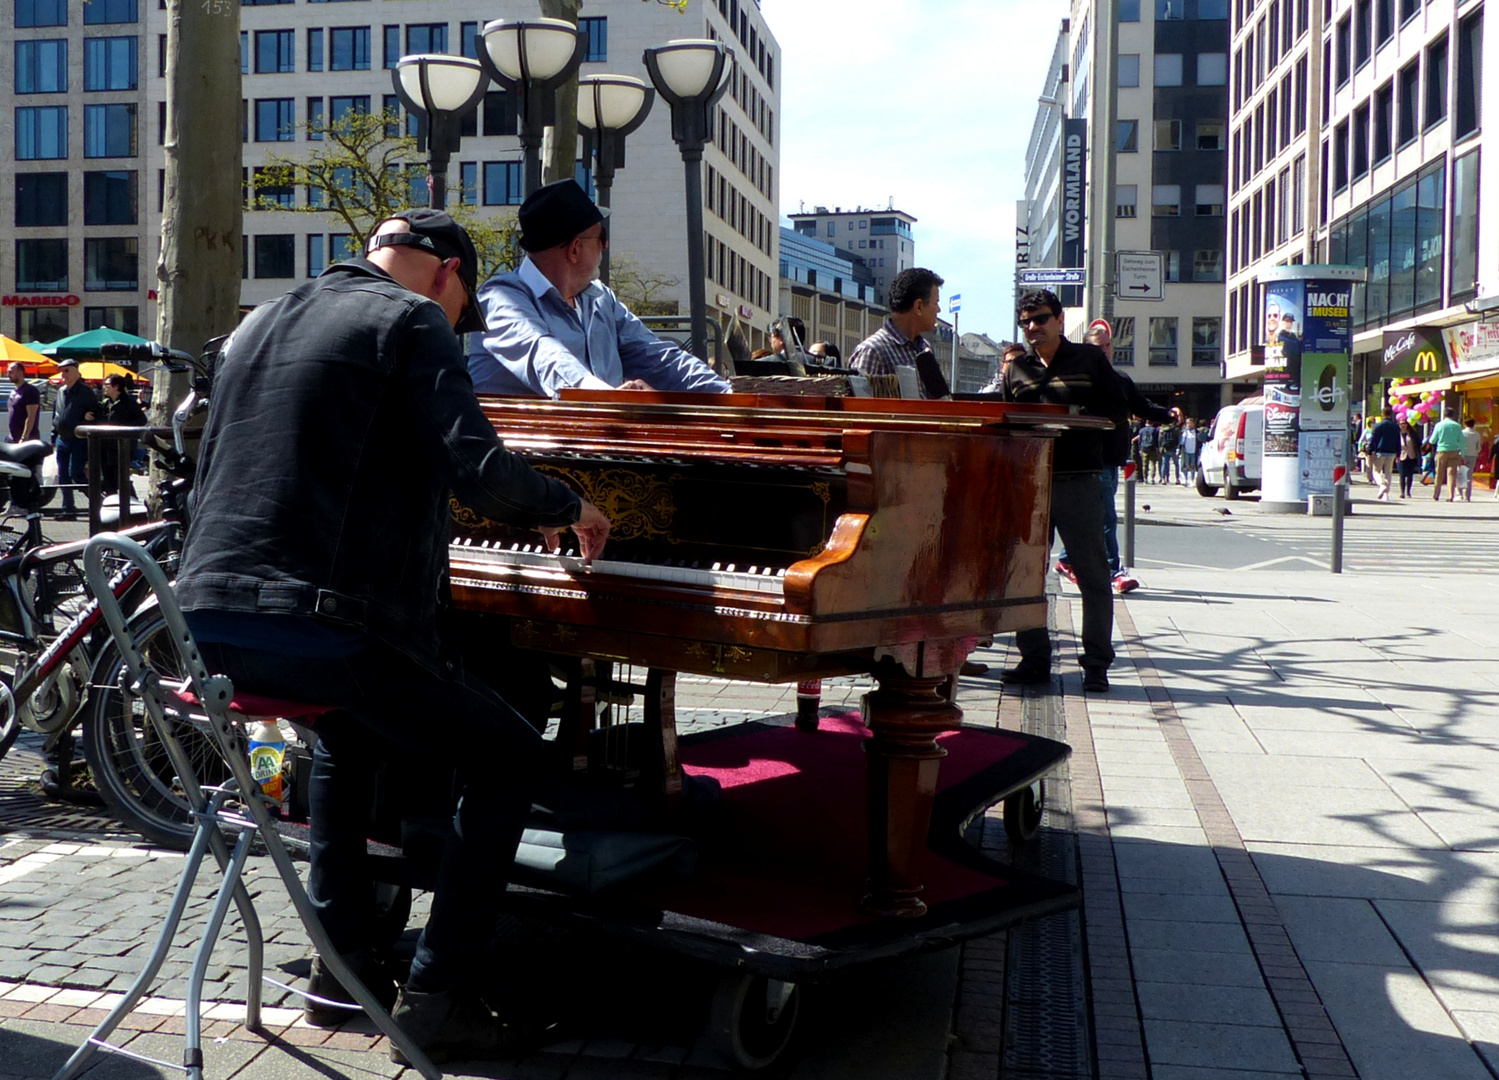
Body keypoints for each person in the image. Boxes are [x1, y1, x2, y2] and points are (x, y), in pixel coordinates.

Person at [174, 209, 612, 1064]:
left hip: (211, 623)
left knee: (345, 735)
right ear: (448, 274)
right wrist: (568, 504)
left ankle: (340, 976)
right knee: (508, 754)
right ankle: (443, 993)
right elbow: (476, 466)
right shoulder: (411, 319)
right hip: (325, 625)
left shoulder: (261, 318)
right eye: (462, 315)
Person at [470, 180, 730, 398]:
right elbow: (545, 356)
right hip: (518, 454)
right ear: (575, 249)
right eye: (601, 237)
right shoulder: (501, 298)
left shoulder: (600, 298)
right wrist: (609, 399)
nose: (605, 246)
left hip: (593, 448)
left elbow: (659, 358)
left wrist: (729, 397)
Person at [999, 289, 1127, 694]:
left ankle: (1095, 665)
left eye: (1039, 319)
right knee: (1025, 576)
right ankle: (1034, 659)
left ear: (1057, 319)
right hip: (1029, 484)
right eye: (1025, 322)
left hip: (1080, 479)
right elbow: (1006, 425)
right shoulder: (1015, 369)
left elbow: (1116, 411)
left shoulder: (1088, 360)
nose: (1032, 327)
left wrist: (1109, 461)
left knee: (1092, 575)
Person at [849, 267, 949, 399]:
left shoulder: (925, 349)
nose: (939, 310)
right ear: (918, 306)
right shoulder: (872, 352)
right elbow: (858, 412)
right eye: (936, 303)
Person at [51, 357, 98, 521]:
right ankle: (68, 509)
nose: (63, 374)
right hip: (62, 439)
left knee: (76, 473)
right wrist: (53, 435)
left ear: (77, 372)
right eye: (61, 370)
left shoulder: (86, 392)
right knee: (63, 475)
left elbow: (97, 414)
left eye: (67, 370)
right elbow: (56, 413)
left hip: (79, 439)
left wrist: (86, 418)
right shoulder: (61, 391)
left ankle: (98, 501)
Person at [97, 373, 149, 494]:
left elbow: (142, 420)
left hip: (123, 446)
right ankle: (111, 506)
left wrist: (123, 429)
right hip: (106, 447)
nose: (104, 387)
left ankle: (132, 504)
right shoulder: (105, 403)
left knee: (121, 477)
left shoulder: (129, 403)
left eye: (107, 385)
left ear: (116, 387)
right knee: (108, 478)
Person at [1430, 411, 1464, 501]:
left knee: (1439, 474)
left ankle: (1436, 494)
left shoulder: (1439, 425)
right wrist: (1462, 454)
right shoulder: (1457, 426)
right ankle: (1450, 495)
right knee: (1452, 474)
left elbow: (1432, 440)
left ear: (1444, 415)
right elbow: (1461, 440)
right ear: (1453, 415)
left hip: (1441, 451)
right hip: (1454, 451)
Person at [1368, 408, 1401, 501]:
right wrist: (1398, 453)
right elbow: (1398, 441)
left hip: (1380, 451)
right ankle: (1386, 495)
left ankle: (1381, 485)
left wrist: (1370, 451)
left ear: (1382, 414)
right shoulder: (1395, 426)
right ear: (1391, 414)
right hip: (1391, 452)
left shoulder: (1378, 426)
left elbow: (1374, 440)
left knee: (1376, 471)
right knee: (1388, 473)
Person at [7, 363, 40, 444]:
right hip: (13, 438)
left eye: (11, 372)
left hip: (28, 439)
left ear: (20, 373)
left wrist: (24, 437)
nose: (8, 375)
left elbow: (31, 416)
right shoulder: (13, 392)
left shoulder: (30, 391)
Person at [1397, 418, 1420, 498]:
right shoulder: (1397, 434)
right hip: (1401, 457)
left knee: (1410, 475)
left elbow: (1417, 444)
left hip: (1411, 456)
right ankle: (1402, 492)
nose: (1403, 425)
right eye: (1401, 424)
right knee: (1402, 475)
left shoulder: (1412, 434)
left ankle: (1408, 492)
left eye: (1404, 423)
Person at [1460, 418, 1482, 501]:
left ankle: (1460, 494)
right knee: (1469, 475)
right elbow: (1479, 447)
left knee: (1460, 474)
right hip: (1473, 455)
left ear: (1465, 424)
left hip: (1462, 455)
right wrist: (1475, 451)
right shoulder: (1477, 434)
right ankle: (1467, 496)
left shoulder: (1462, 433)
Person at [1157, 418, 1181, 484]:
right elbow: (1178, 439)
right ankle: (1177, 479)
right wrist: (1178, 448)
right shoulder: (1175, 429)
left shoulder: (1162, 429)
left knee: (1164, 464)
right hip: (1174, 448)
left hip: (1165, 449)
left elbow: (1159, 439)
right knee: (1176, 464)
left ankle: (1163, 478)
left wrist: (1160, 448)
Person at [1179, 417, 1199, 484]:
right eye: (1187, 423)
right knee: (1185, 465)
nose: (1189, 424)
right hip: (1186, 451)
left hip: (1194, 451)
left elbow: (1199, 441)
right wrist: (1178, 449)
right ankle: (1185, 478)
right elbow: (1181, 442)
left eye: (1190, 423)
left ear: (1193, 423)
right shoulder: (1184, 432)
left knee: (1193, 465)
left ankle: (1192, 479)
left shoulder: (1196, 432)